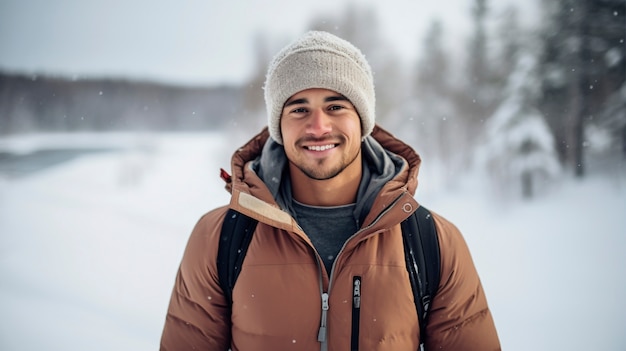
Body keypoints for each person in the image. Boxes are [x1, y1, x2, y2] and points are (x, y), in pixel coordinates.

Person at [160, 31, 500, 350]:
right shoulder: (220, 237)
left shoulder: (431, 241)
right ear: (278, 124)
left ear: (362, 120)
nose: (318, 127)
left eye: (336, 106)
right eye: (299, 109)